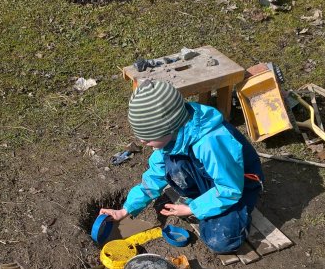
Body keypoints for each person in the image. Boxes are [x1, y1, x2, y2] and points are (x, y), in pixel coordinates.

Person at [100, 79, 264, 254]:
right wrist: (126, 209)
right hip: (214, 179)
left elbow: (230, 189)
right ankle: (206, 200)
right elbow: (154, 177)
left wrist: (192, 208)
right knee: (173, 165)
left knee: (220, 241)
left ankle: (238, 219)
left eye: (148, 137)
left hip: (238, 186)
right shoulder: (172, 138)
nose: (142, 142)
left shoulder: (211, 142)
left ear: (169, 127)